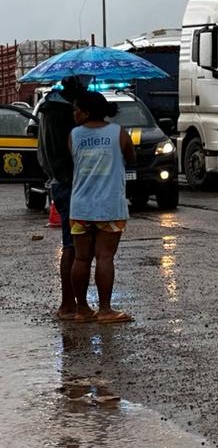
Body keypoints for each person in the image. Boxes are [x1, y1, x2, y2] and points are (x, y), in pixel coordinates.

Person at [68, 90, 135, 324]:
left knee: (81, 258)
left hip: (80, 207)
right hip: (109, 206)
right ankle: (105, 310)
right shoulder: (118, 132)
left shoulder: (74, 135)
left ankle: (82, 310)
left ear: (86, 112)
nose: (74, 114)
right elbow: (131, 157)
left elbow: (73, 160)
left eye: (76, 109)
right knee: (105, 257)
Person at [36, 75, 87, 320]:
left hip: (59, 181)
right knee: (75, 247)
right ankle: (71, 305)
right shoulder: (65, 116)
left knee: (72, 245)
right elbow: (73, 151)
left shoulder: (47, 109)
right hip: (72, 183)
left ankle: (71, 304)